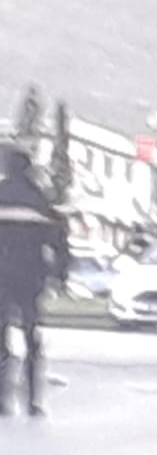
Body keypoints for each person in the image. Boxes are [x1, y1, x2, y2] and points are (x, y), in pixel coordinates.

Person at [0, 144, 68, 418]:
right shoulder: (38, 200)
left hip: (1, 276)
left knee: (1, 336)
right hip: (30, 276)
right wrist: (60, 274)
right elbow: (58, 242)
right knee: (30, 335)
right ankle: (33, 400)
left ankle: (2, 399)